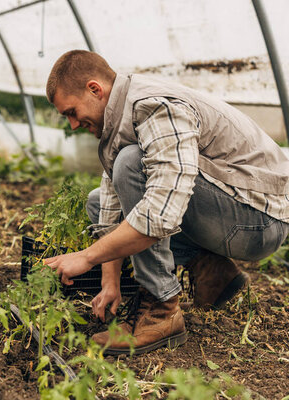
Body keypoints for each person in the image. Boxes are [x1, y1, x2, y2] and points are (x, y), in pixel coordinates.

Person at [43, 50, 289, 355]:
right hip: (230, 209)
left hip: (259, 219)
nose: (72, 124)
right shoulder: (119, 121)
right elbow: (109, 211)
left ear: (95, 89)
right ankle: (212, 270)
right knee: (98, 201)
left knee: (133, 164)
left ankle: (162, 310)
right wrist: (110, 281)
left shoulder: (153, 106)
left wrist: (88, 257)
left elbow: (161, 211)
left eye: (71, 112)